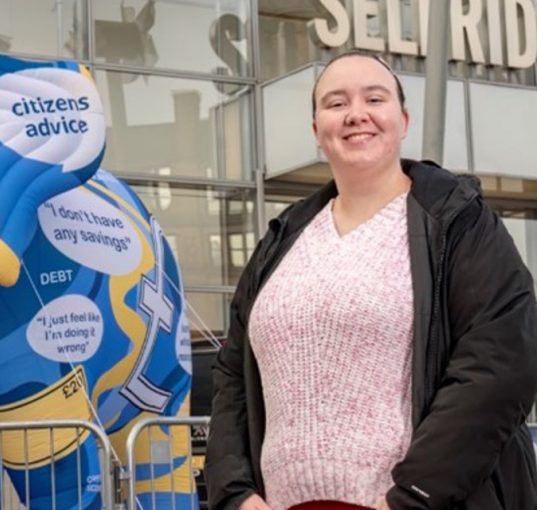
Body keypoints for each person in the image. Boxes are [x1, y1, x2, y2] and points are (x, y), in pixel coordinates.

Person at [204, 50, 537, 510]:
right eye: (336, 103)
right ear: (317, 130)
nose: (356, 114)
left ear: (402, 120)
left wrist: (412, 497)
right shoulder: (282, 242)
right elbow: (232, 376)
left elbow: (499, 364)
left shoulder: (457, 222)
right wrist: (235, 494)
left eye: (374, 99)